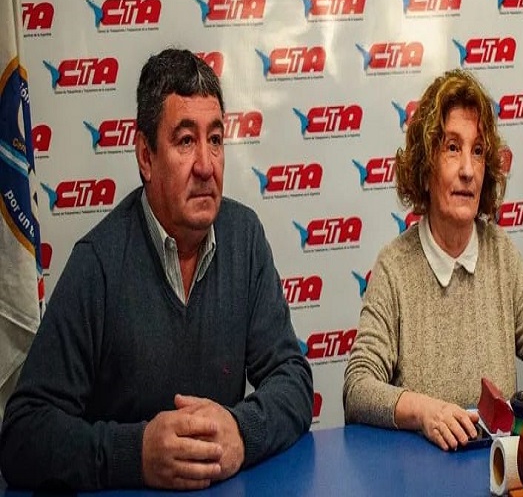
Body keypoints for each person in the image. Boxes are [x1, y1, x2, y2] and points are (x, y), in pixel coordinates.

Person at [0, 49, 313, 490]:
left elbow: (293, 379)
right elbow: (23, 435)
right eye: (185, 141)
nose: (206, 165)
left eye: (215, 139)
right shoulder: (98, 262)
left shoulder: (244, 238)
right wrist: (137, 453)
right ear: (146, 157)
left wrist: (243, 431)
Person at [343, 69, 523, 451]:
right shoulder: (394, 267)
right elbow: (358, 387)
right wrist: (424, 412)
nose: (468, 170)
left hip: (494, 468)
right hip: (421, 473)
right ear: (425, 167)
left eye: (478, 151)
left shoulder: (501, 253)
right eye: (452, 148)